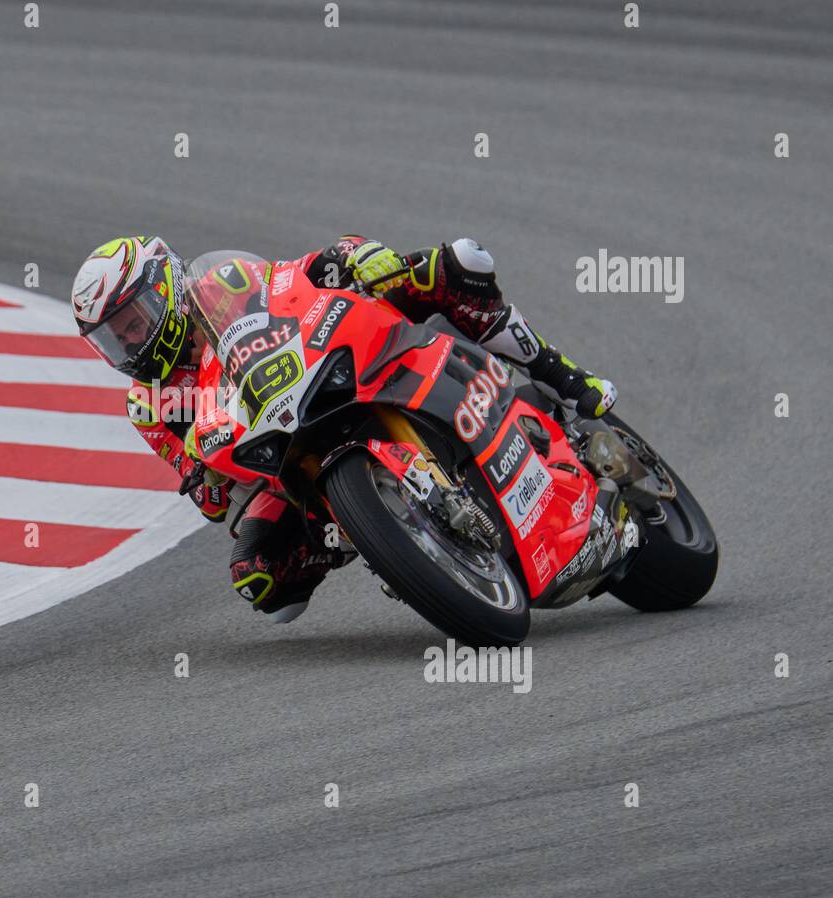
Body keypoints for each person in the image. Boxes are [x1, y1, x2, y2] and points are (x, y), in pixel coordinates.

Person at [71, 234, 617, 622]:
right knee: (261, 580)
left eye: (135, 320)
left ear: (165, 287)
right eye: (114, 338)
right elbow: (209, 496)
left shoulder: (220, 281)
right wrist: (202, 480)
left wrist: (356, 256)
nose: (131, 341)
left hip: (321, 360)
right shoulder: (151, 405)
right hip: (273, 455)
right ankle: (375, 533)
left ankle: (558, 373)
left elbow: (297, 274)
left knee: (454, 264)